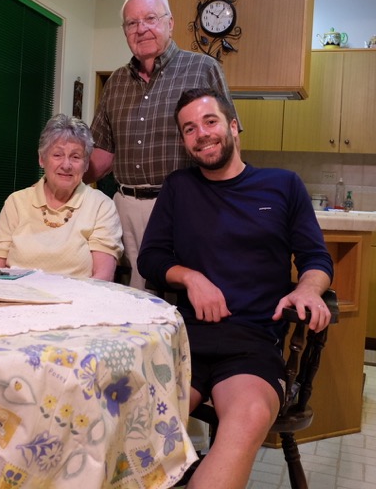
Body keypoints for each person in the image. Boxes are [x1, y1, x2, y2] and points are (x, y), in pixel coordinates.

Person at [137, 89, 334, 489]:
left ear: (233, 126)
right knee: (137, 423)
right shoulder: (179, 187)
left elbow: (316, 257)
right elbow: (151, 257)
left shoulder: (282, 185)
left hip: (253, 344)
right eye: (189, 129)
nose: (201, 134)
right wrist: (190, 277)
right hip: (184, 343)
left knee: (248, 418)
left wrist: (309, 290)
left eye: (209, 122)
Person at [85, 0, 239, 290]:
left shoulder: (203, 68)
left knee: (181, 290)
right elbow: (102, 153)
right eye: (132, 23)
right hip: (125, 208)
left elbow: (229, 141)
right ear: (125, 31)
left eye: (150, 19)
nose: (141, 28)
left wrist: (232, 203)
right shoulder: (116, 81)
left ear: (170, 23)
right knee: (132, 293)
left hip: (183, 204)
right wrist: (59, 183)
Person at [0, 113, 123, 281]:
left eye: (75, 157)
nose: (66, 165)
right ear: (42, 159)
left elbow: (103, 276)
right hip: (17, 295)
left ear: (86, 164)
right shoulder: (17, 202)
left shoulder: (101, 206)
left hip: (76, 296)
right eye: (57, 155)